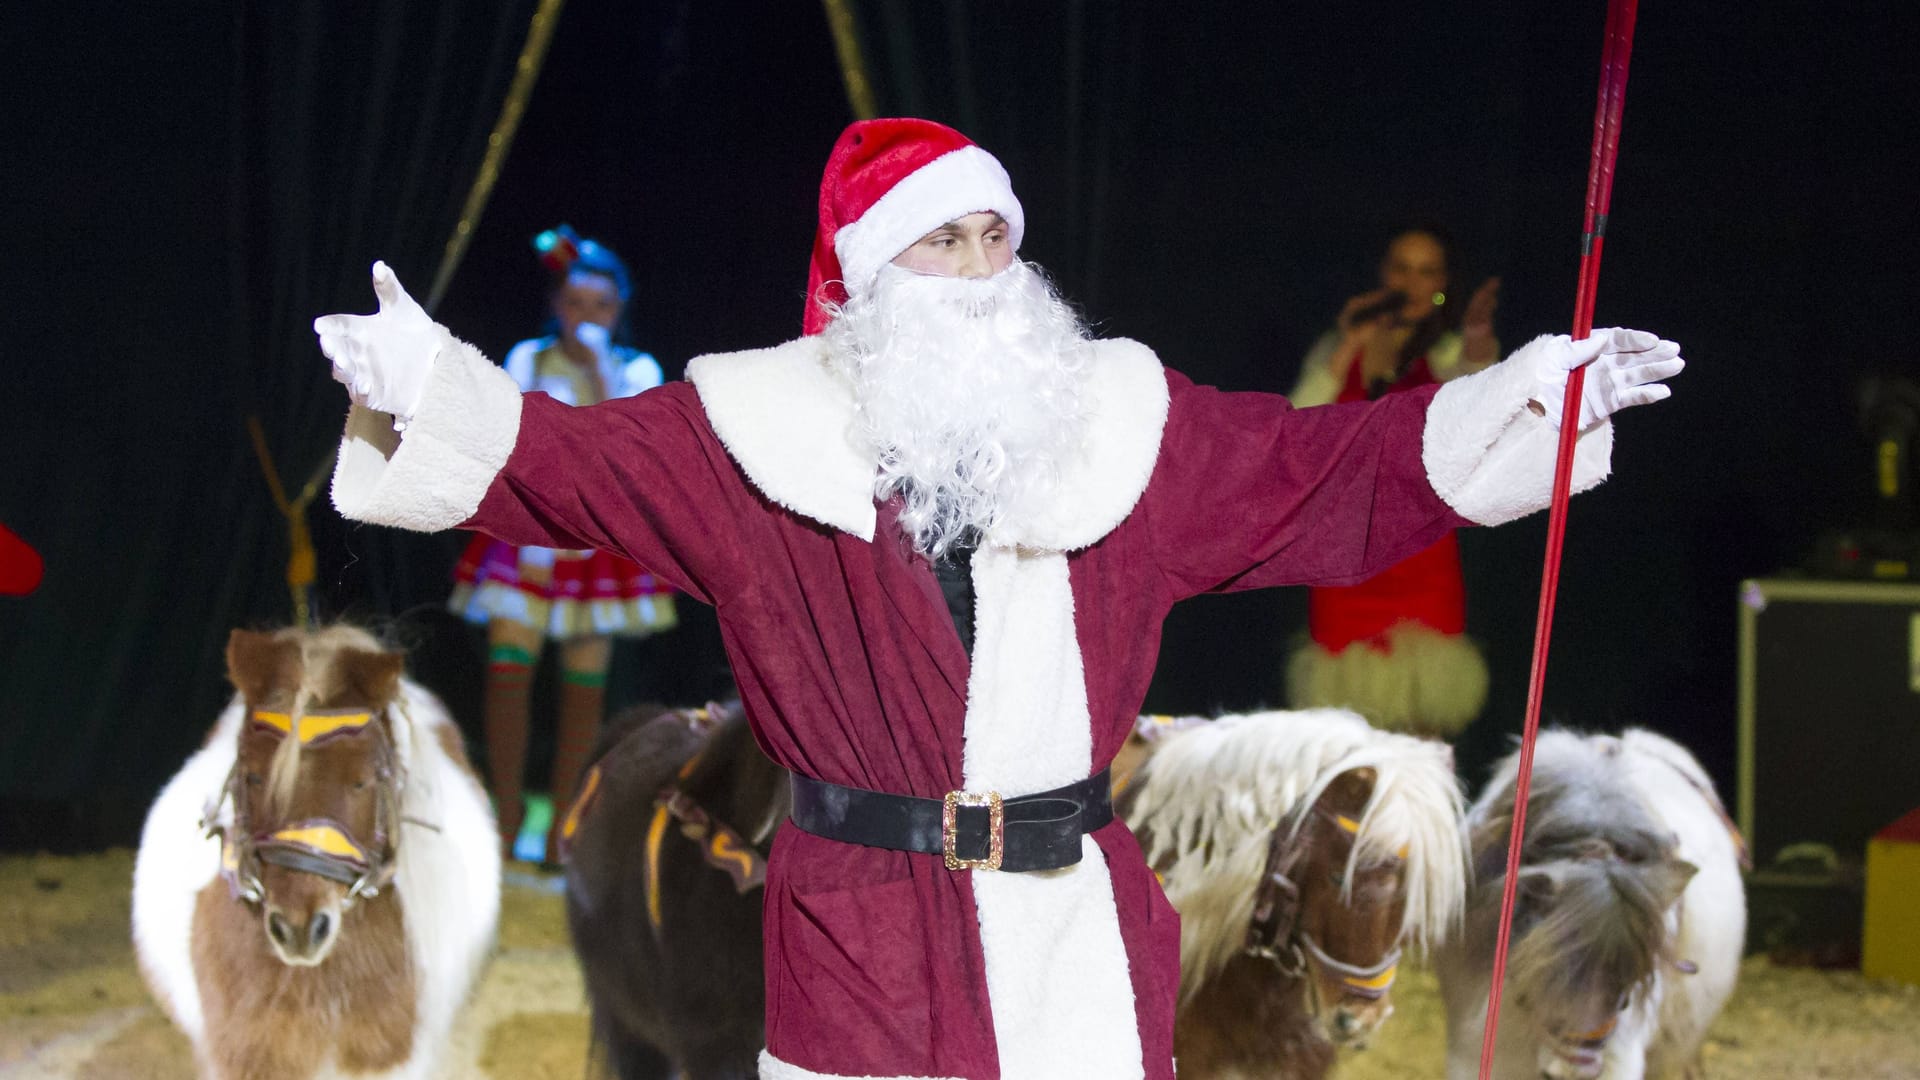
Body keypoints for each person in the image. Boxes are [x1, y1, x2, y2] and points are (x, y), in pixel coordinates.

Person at [316, 117, 1683, 1080]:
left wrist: (1529, 404)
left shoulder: (1119, 428)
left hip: (1069, 931)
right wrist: (421, 384)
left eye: (992, 238)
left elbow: (1324, 466)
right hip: (860, 934)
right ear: (861, 275)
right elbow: (560, 466)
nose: (979, 273)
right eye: (940, 243)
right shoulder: (749, 440)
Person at [445, 227, 678, 863]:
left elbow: (625, 443)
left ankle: (561, 826)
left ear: (619, 310)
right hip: (528, 540)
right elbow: (515, 438)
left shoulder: (638, 371)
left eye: (601, 305)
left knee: (584, 689)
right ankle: (506, 809)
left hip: (596, 546)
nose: (587, 317)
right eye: (575, 303)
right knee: (508, 675)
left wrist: (600, 369)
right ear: (557, 305)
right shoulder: (528, 358)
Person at [1286, 226, 1502, 737]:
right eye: (1402, 268)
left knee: (1423, 724)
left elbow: (1480, 392)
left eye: (1427, 271)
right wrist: (1350, 345)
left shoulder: (1449, 352)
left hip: (1419, 551)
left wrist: (1476, 337)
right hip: (1346, 552)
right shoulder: (1341, 347)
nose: (1412, 282)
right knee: (1346, 734)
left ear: (1443, 282)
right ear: (1384, 275)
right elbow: (1296, 425)